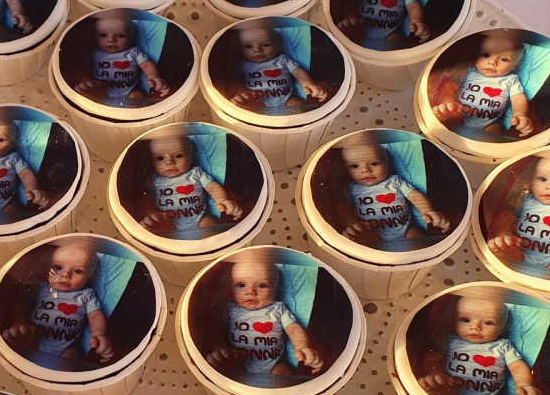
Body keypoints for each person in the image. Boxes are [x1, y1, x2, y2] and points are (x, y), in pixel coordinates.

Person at [416, 286, 547, 395]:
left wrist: (525, 385)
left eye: (487, 322)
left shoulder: (503, 346)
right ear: (454, 321)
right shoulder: (451, 341)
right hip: (453, 391)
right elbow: (432, 357)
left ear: (502, 328)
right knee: (437, 394)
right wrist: (435, 374)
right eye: (465, 320)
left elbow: (517, 366)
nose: (475, 327)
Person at [205, 250, 323, 381]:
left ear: (275, 289)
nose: (250, 291)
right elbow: (216, 329)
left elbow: (293, 328)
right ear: (231, 288)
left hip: (274, 365)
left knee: (283, 370)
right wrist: (218, 348)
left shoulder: (278, 309)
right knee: (226, 369)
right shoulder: (231, 309)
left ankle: (273, 390)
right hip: (238, 362)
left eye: (261, 285)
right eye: (241, 285)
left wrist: (302, 347)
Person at [1, 239, 114, 364]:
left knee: (73, 356)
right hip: (34, 337)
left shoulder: (86, 295)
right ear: (48, 269)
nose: (65, 274)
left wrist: (99, 334)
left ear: (89, 276)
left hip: (66, 347)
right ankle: (17, 339)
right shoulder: (41, 288)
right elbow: (21, 306)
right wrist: (19, 323)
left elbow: (95, 315)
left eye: (77, 271)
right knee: (21, 340)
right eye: (58, 267)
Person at [338, 135, 450, 247]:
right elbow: (343, 208)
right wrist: (352, 223)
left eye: (374, 163)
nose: (365, 170)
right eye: (354, 166)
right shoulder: (350, 188)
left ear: (387, 164)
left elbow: (415, 196)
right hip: (372, 232)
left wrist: (428, 211)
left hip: (405, 229)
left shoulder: (395, 181)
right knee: (361, 242)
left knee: (417, 235)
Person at [138, 129, 243, 240]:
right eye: (160, 158)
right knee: (159, 232)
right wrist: (151, 215)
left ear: (191, 157)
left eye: (178, 156)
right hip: (168, 222)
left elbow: (212, 187)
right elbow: (145, 199)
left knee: (210, 225)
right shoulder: (153, 179)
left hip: (200, 218)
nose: (169, 162)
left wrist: (223, 200)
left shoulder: (195, 172)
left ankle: (206, 246)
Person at [431, 32, 533, 138]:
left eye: (503, 59)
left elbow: (518, 98)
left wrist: (520, 114)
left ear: (515, 65)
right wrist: (448, 102)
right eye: (485, 55)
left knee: (495, 130)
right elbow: (450, 85)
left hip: (488, 124)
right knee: (447, 120)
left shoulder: (510, 80)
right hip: (459, 115)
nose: (492, 62)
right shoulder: (469, 72)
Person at [229, 21, 328, 114]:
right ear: (240, 48)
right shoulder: (243, 65)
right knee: (244, 109)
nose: (257, 50)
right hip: (257, 102)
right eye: (248, 46)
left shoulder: (282, 59)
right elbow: (234, 81)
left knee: (297, 105)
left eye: (266, 45)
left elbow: (298, 72)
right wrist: (240, 93)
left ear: (278, 45)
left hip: (287, 100)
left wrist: (308, 85)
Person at [75, 11, 168, 105]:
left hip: (130, 91)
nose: (111, 40)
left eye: (120, 35)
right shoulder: (94, 53)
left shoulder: (133, 52)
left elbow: (146, 65)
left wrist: (153, 77)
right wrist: (86, 81)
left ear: (131, 38)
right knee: (91, 97)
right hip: (102, 89)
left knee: (138, 95)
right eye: (103, 35)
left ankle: (131, 111)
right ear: (95, 37)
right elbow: (82, 68)